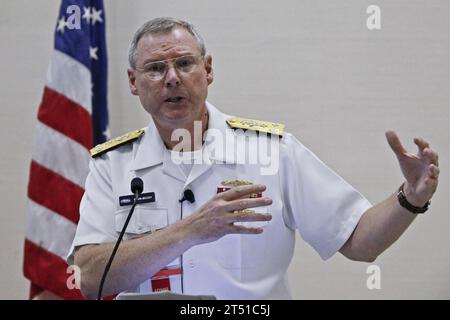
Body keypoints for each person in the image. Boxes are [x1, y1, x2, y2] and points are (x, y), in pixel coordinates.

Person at [68, 17, 440, 300]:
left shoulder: (272, 151)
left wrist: (410, 197)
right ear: (133, 82)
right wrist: (191, 230)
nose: (172, 79)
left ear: (208, 70)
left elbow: (360, 241)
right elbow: (87, 278)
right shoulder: (112, 165)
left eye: (184, 63)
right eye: (155, 68)